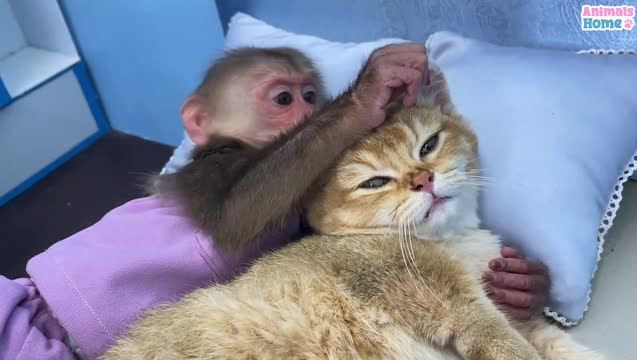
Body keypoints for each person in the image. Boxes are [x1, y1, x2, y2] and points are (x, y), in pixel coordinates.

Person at [0, 44, 548, 360]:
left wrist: (504, 283)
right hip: (26, 318)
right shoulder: (215, 179)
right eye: (282, 98)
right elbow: (246, 209)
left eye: (314, 99)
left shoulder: (301, 211)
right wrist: (354, 105)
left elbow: (375, 262)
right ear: (201, 122)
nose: (308, 117)